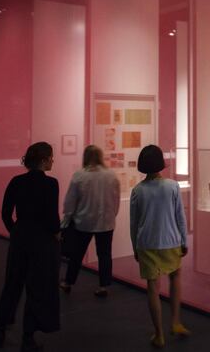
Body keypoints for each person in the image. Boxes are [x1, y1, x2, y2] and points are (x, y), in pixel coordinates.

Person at [0, 142, 61, 351]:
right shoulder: (51, 184)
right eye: (51, 157)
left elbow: (6, 213)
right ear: (43, 160)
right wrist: (57, 234)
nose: (53, 160)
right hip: (41, 243)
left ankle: (2, 324)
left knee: (13, 282)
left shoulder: (16, 181)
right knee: (37, 288)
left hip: (20, 238)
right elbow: (51, 218)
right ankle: (28, 336)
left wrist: (14, 231)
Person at [129, 145, 190, 348]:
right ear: (161, 163)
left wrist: (134, 247)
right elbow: (180, 216)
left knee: (152, 288)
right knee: (175, 278)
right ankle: (175, 322)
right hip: (171, 241)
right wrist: (184, 240)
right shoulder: (172, 186)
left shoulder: (137, 190)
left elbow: (134, 223)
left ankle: (159, 334)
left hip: (146, 243)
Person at [59, 145, 121, 297]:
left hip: (83, 222)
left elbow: (70, 202)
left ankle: (68, 282)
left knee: (77, 254)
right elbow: (116, 200)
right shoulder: (111, 176)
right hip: (106, 222)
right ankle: (103, 286)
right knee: (105, 254)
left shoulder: (79, 176)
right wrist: (112, 215)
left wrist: (66, 220)